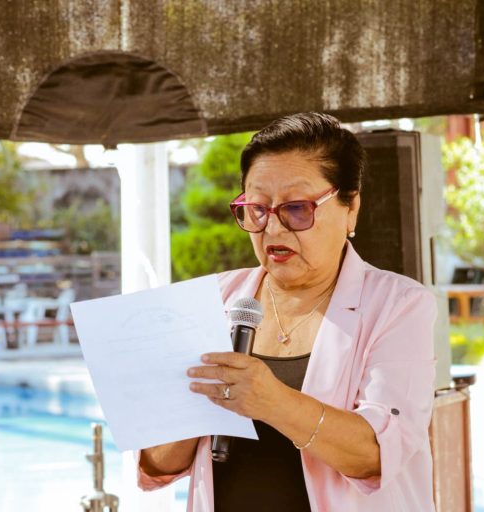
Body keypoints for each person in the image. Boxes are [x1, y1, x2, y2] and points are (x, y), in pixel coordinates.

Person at [137, 112, 437, 511]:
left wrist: (271, 400)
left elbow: (377, 453)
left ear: (351, 207)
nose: (273, 230)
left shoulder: (399, 305)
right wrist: (193, 410)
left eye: (297, 209)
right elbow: (156, 466)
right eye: (257, 210)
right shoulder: (211, 299)